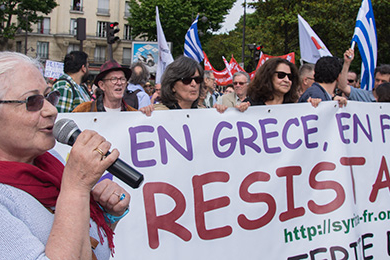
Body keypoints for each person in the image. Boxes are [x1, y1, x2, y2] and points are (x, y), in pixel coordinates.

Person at [0, 52, 130, 259]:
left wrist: (107, 214)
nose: (52, 110)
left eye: (50, 97)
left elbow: (84, 242)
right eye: (32, 101)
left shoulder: (50, 162)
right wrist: (76, 188)